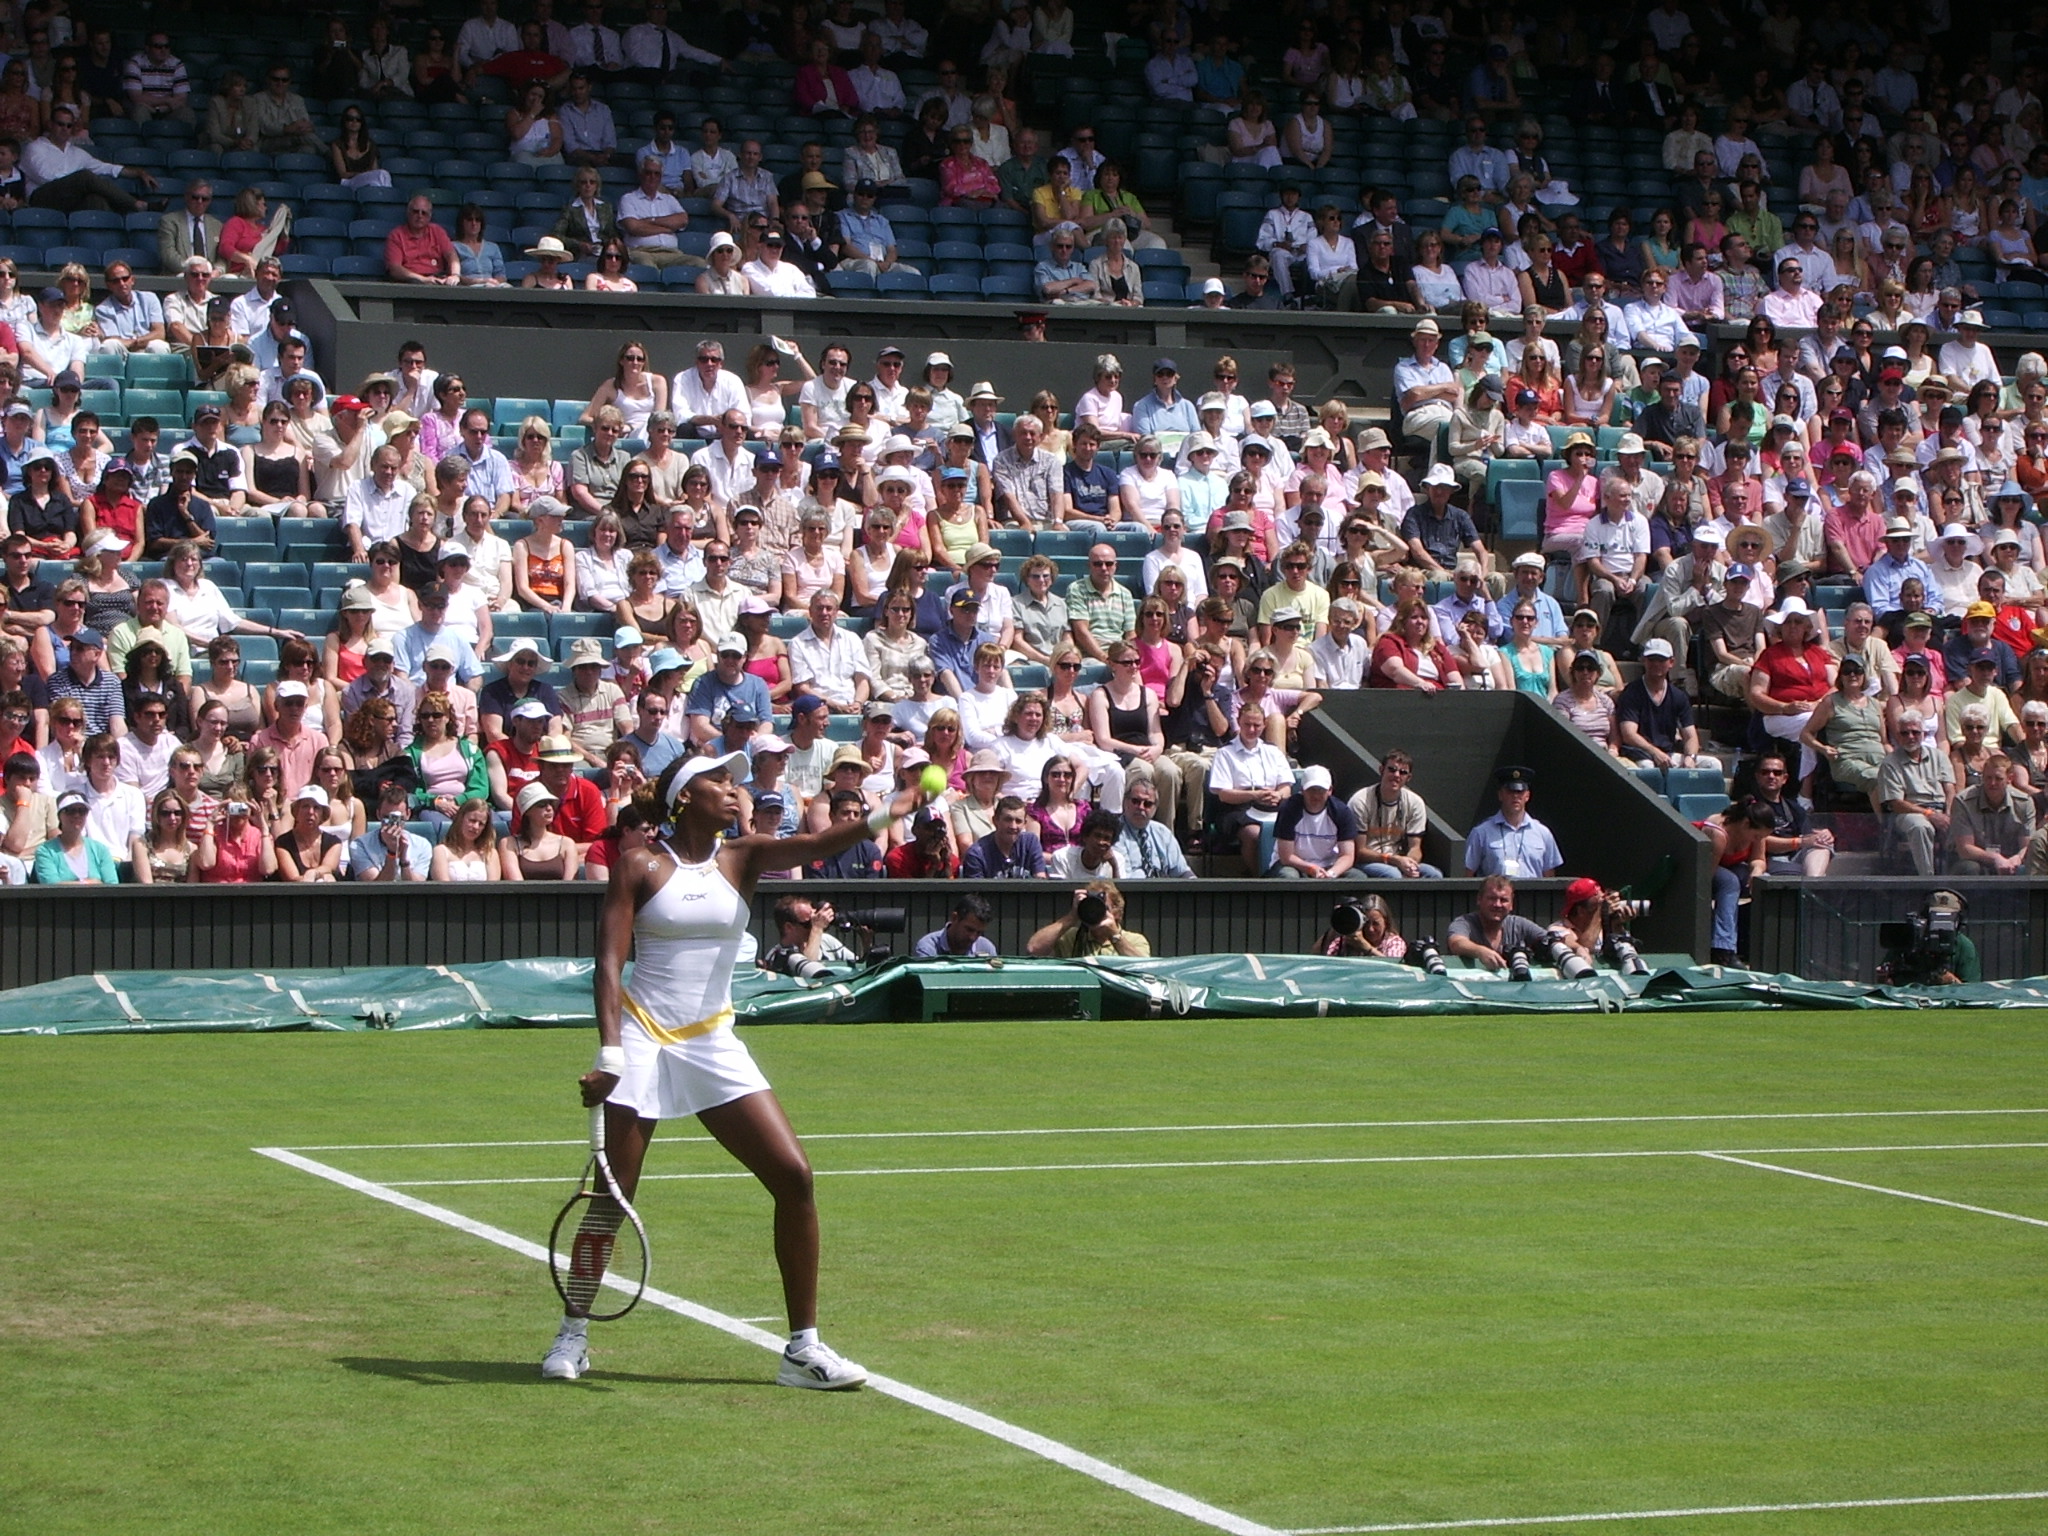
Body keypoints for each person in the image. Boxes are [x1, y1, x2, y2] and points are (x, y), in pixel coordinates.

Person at [1463, 764, 1562, 878]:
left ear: (1527, 796)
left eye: (1520, 792)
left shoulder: (1543, 833)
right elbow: (1467, 875)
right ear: (1500, 795)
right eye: (1510, 791)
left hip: (1532, 895)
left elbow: (1549, 877)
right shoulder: (1481, 833)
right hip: (1497, 895)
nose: (1515, 796)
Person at [1446, 874, 1552, 971]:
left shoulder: (1519, 924)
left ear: (1511, 904)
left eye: (1503, 900)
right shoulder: (1464, 922)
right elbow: (1456, 943)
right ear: (1479, 899)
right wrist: (1480, 951)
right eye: (1492, 898)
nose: (1497, 904)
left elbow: (1550, 941)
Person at [1025, 880, 1149, 957]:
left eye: (1102, 907)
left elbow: (1144, 969)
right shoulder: (1071, 937)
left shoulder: (1134, 940)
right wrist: (1072, 916)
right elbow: (1033, 949)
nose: (1096, 911)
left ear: (1116, 912)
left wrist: (1114, 935)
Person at [912, 892, 997, 957]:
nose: (972, 937)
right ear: (954, 918)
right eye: (969, 930)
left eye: (979, 933)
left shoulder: (987, 948)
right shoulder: (928, 947)